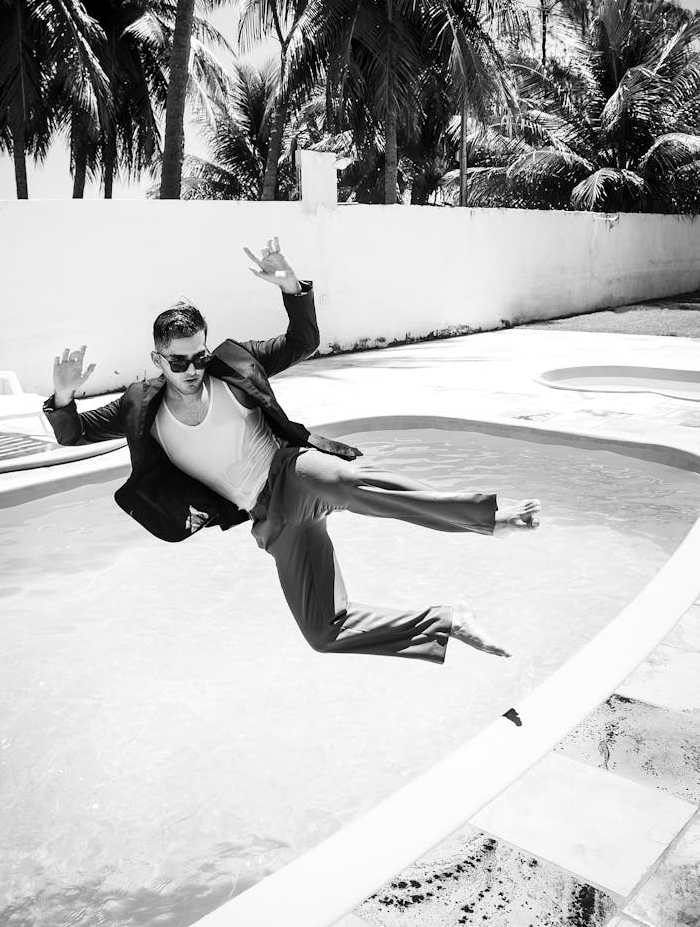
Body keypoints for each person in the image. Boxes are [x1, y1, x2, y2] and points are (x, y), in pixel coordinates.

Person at [45, 238, 540, 666]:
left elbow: (303, 340)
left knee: (349, 485)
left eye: (199, 355)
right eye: (179, 361)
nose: (193, 368)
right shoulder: (140, 405)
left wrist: (290, 286)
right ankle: (447, 620)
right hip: (270, 518)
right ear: (158, 358)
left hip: (291, 472)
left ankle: (488, 516)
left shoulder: (234, 362)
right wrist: (63, 396)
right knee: (324, 632)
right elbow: (73, 433)